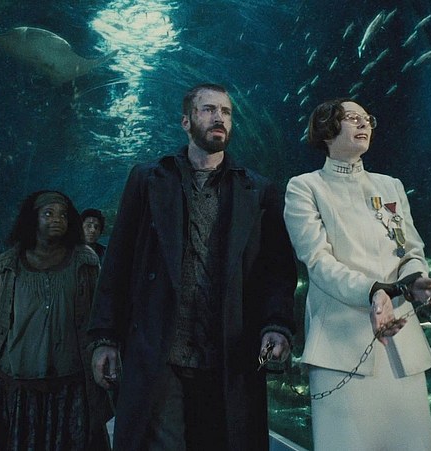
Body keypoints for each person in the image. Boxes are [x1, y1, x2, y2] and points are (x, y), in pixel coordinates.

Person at [88, 83, 297, 451]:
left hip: (227, 349)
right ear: (186, 121)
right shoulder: (148, 179)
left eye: (226, 112)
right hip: (160, 347)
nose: (219, 117)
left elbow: (276, 270)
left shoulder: (258, 190)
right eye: (208, 109)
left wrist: (277, 324)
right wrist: (105, 337)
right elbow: (118, 261)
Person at [283, 99, 431, 450]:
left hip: (402, 346)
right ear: (326, 129)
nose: (364, 124)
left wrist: (415, 282)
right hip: (340, 346)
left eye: (367, 119)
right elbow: (317, 261)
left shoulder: (391, 186)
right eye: (352, 118)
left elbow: (411, 250)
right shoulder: (305, 187)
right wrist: (375, 291)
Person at [0, 190, 109, 450]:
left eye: (63, 215)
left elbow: (101, 315)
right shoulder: (7, 265)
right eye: (48, 213)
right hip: (16, 388)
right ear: (33, 219)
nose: (57, 219)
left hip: (70, 386)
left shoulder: (85, 263)